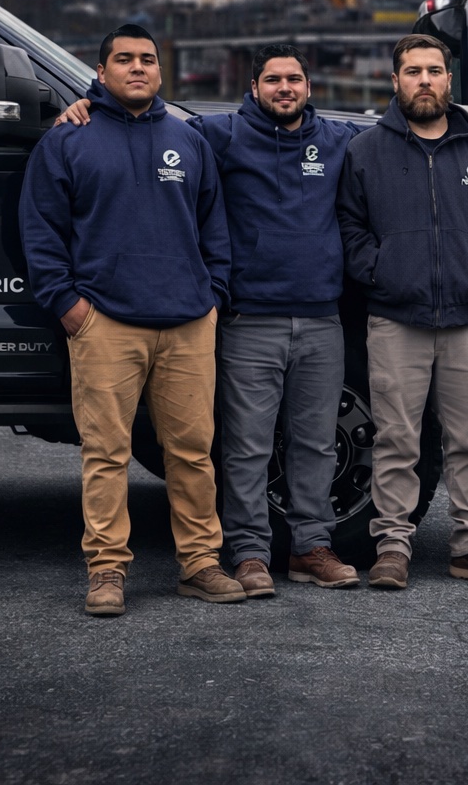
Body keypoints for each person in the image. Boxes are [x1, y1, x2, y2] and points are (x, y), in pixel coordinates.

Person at [57, 46, 361, 597]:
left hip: (320, 317)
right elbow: (142, 122)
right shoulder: (214, 135)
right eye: (273, 79)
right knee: (244, 446)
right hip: (248, 320)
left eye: (295, 78)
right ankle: (247, 553)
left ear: (310, 87)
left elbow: (409, 125)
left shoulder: (339, 140)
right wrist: (85, 107)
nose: (285, 88)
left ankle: (310, 547)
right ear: (253, 87)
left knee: (314, 444)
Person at [21, 24, 243, 613]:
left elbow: (214, 226)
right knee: (106, 454)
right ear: (101, 72)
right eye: (124, 60)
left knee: (193, 451)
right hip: (105, 323)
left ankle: (199, 563)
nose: (137, 68)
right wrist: (70, 308)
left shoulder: (188, 139)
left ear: (160, 72)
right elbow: (41, 233)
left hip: (188, 321)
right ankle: (107, 570)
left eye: (148, 59)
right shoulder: (68, 140)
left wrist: (213, 295)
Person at [336, 33, 468, 589]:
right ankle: (392, 546)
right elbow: (349, 228)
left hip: (466, 317)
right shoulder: (365, 151)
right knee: (397, 439)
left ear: (450, 80)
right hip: (396, 319)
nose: (425, 80)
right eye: (413, 71)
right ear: (394, 82)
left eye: (434, 71)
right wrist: (382, 271)